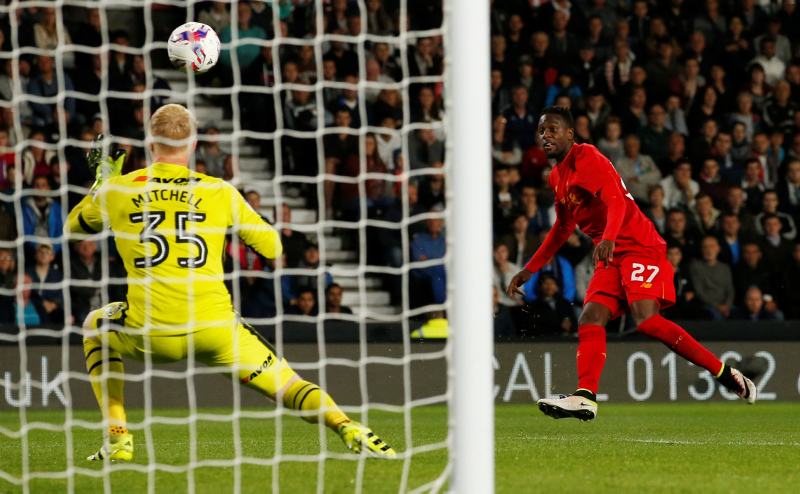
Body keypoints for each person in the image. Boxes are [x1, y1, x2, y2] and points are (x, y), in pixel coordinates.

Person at [65, 104, 394, 462]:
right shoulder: (219, 191)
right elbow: (273, 247)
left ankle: (117, 436)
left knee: (93, 326)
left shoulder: (119, 189)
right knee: (287, 384)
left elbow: (72, 230)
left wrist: (102, 184)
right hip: (215, 328)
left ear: (150, 143)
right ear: (194, 144)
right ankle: (345, 424)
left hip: (151, 332)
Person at [506, 107, 756, 422]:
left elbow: (615, 199)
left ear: (570, 133)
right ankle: (585, 396)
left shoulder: (588, 157)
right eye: (542, 130)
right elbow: (562, 227)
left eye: (553, 129)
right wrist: (530, 268)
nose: (546, 135)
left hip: (637, 244)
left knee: (647, 321)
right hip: (611, 252)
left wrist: (609, 238)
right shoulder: (557, 176)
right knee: (590, 317)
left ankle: (724, 373)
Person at [690, 237, 735, 321]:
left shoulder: (725, 268)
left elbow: (730, 290)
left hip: (726, 305)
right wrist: (717, 306)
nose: (709, 250)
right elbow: (700, 292)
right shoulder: (696, 267)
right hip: (708, 306)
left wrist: (727, 305)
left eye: (711, 246)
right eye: (705, 247)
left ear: (718, 249)